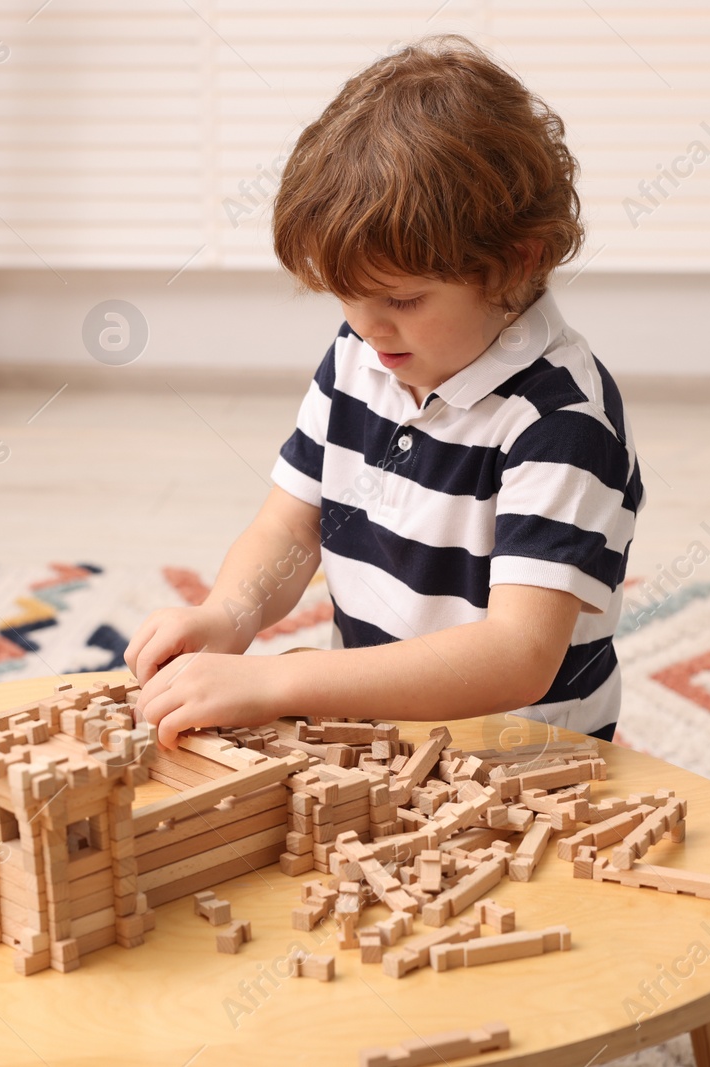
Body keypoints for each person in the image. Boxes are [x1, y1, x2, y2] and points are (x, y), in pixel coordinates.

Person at [127, 35, 644, 748]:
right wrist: (229, 615)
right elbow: (291, 525)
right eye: (346, 298)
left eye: (403, 298)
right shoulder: (360, 358)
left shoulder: (560, 423)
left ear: (515, 261)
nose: (368, 327)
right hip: (376, 738)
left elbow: (518, 656)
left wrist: (283, 680)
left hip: (524, 769)